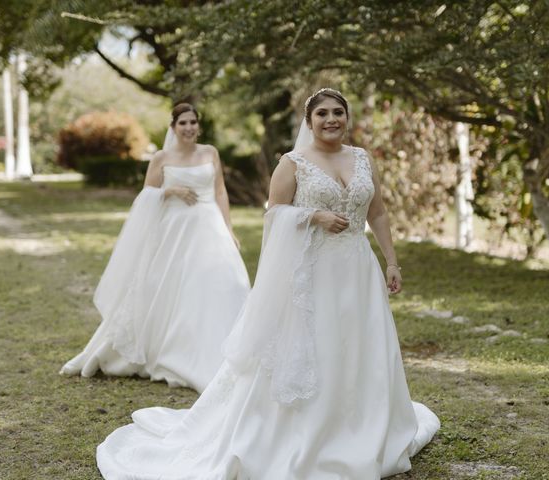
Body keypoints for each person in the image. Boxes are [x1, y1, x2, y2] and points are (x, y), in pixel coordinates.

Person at [96, 89, 440, 479]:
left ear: (347, 117)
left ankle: (362, 425)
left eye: (338, 112)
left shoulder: (362, 159)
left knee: (359, 344)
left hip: (358, 270)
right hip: (312, 274)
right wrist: (313, 217)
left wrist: (391, 261)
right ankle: (311, 432)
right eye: (322, 113)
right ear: (308, 122)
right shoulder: (293, 163)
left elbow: (376, 211)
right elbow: (275, 214)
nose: (331, 119)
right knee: (318, 345)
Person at [60, 103, 250, 393]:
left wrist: (228, 227)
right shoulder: (162, 157)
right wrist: (170, 190)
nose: (188, 128)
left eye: (193, 122)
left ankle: (225, 351)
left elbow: (220, 190)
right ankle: (174, 350)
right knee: (174, 287)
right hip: (176, 230)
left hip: (210, 227)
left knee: (228, 281)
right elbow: (146, 195)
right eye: (183, 123)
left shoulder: (210, 153)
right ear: (173, 127)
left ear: (199, 126)